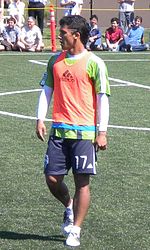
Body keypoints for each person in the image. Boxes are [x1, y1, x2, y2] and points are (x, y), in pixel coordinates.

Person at [36, 15, 110, 248]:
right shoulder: (54, 61)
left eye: (63, 33)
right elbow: (47, 90)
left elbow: (102, 99)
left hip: (85, 133)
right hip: (59, 130)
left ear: (76, 35)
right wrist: (40, 118)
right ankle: (69, 206)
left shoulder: (94, 62)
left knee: (82, 183)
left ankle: (75, 229)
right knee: (52, 178)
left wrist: (102, 131)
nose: (59, 36)